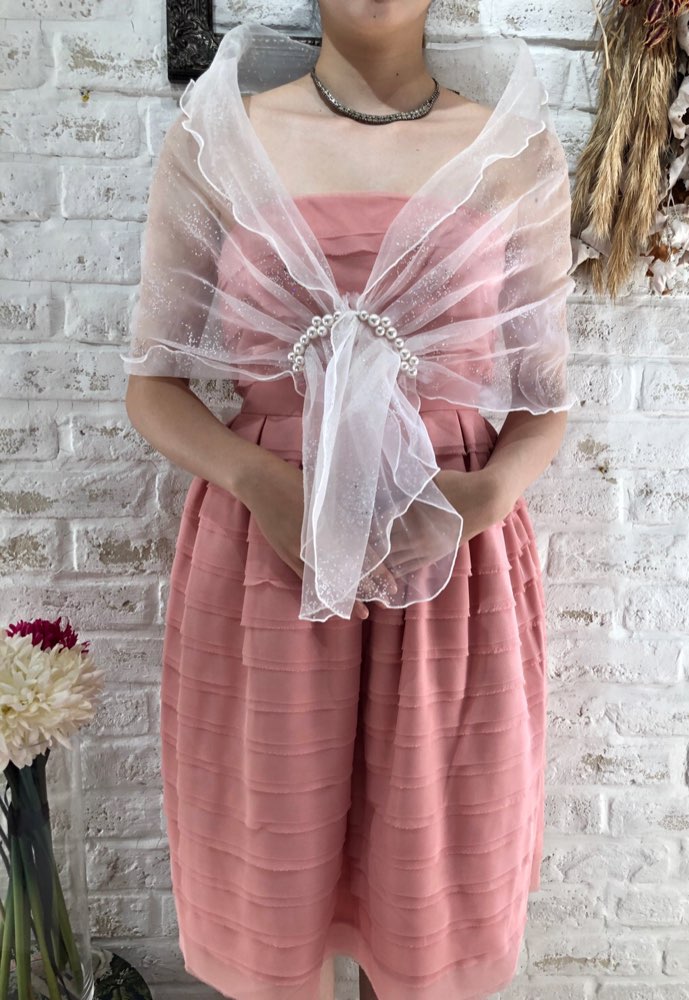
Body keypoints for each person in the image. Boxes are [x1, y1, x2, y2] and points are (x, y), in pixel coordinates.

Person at [122, 1, 575, 997]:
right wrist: (257, 480)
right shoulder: (219, 143)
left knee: (424, 909)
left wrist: (487, 495)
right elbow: (153, 386)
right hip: (267, 562)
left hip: (448, 569)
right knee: (274, 897)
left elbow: (545, 402)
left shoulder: (515, 154)